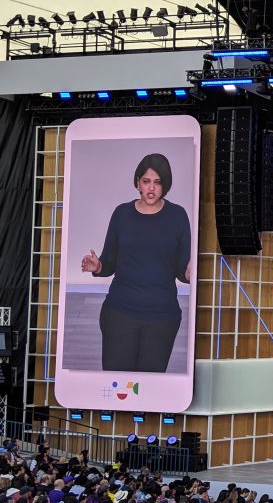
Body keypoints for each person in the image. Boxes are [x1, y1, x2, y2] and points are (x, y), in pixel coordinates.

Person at [80, 153, 192, 373]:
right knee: (117, 385)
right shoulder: (122, 213)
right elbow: (109, 261)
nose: (151, 188)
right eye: (146, 181)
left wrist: (189, 273)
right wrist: (98, 266)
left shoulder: (178, 216)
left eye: (157, 182)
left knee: (149, 387)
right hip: (119, 314)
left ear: (165, 185)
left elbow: (182, 270)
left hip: (162, 317)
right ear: (138, 182)